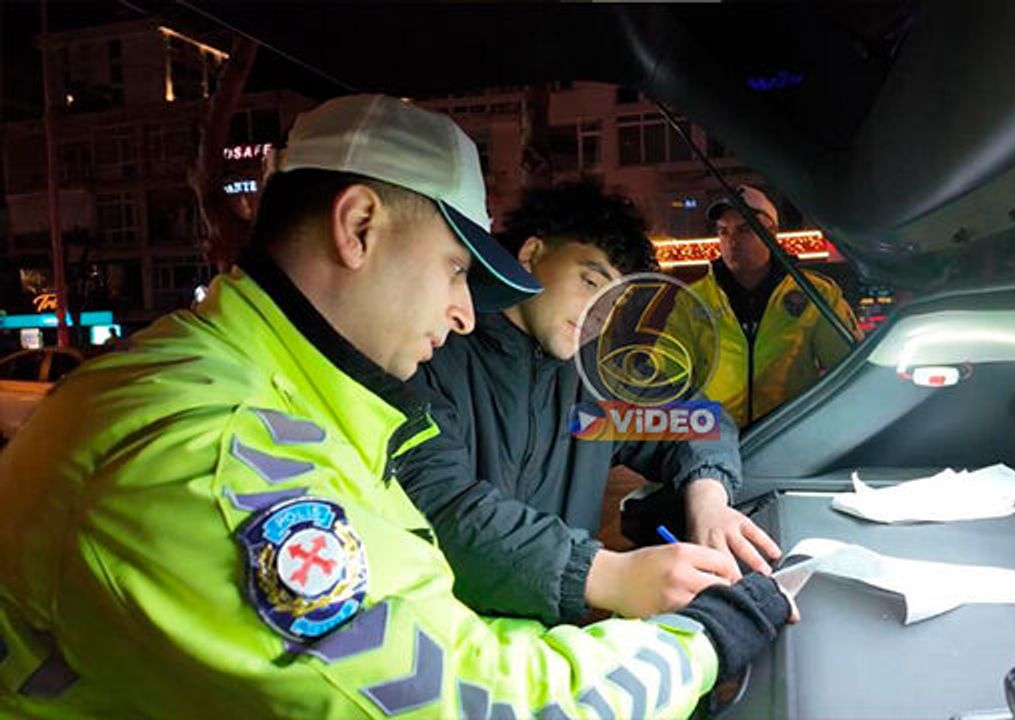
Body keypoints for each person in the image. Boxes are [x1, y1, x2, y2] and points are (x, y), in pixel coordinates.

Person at [0, 95, 793, 719]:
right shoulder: (221, 454)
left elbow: (688, 419)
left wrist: (707, 494)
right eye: (454, 270)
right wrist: (694, 636)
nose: (461, 312)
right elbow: (463, 696)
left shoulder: (302, 387)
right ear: (358, 227)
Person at [398, 181, 782, 625]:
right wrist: (612, 576)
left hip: (553, 643)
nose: (600, 311)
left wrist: (709, 500)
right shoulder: (430, 354)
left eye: (614, 299)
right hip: (437, 636)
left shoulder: (598, 380)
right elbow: (443, 511)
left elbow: (698, 422)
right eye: (590, 282)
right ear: (531, 254)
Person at [664, 184, 862, 428]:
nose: (732, 241)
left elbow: (849, 369)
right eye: (723, 231)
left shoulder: (815, 293)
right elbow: (665, 373)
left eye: (745, 229)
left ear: (771, 233)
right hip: (716, 439)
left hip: (787, 437)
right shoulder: (693, 299)